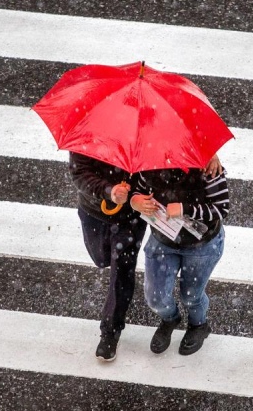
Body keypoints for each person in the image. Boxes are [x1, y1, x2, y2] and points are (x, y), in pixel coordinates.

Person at [70, 153, 223, 361]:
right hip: (109, 215)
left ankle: (112, 331)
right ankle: (170, 318)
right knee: (111, 266)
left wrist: (208, 154)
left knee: (185, 293)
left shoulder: (195, 164)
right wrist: (119, 194)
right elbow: (80, 172)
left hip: (172, 233)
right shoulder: (92, 130)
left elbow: (221, 207)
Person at [129, 166, 229, 356]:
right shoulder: (148, 162)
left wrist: (185, 209)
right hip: (162, 239)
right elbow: (138, 190)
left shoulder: (207, 165)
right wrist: (135, 200)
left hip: (202, 244)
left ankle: (198, 325)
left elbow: (221, 208)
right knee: (156, 298)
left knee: (191, 296)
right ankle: (170, 319)